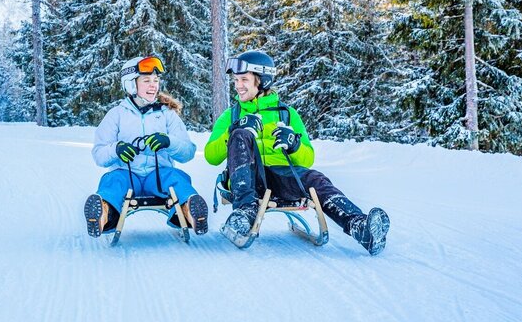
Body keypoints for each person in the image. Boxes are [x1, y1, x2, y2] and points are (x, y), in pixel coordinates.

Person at [205, 50, 390, 255]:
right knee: (240, 134)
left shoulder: (287, 114)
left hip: (282, 176)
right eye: (236, 80)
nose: (238, 85)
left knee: (315, 179)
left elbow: (307, 158)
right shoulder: (231, 115)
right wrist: (233, 131)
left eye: (244, 79)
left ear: (262, 80)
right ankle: (243, 215)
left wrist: (293, 145)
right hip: (247, 180)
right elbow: (211, 157)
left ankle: (361, 227)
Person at [84, 56, 209, 238]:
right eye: (146, 80)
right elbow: (99, 155)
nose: (153, 85)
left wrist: (169, 142)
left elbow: (188, 152)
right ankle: (101, 215)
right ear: (131, 85)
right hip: (126, 176)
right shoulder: (116, 115)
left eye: (156, 80)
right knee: (112, 182)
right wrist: (116, 149)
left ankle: (191, 211)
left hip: (158, 176)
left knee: (177, 179)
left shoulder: (167, 115)